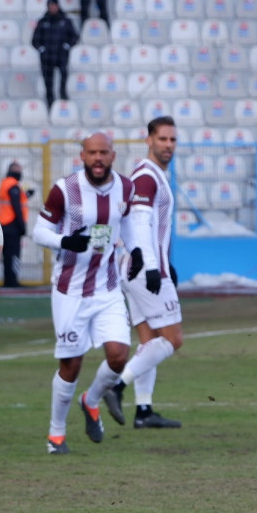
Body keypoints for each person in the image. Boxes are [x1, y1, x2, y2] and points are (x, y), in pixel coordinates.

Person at [31, 132, 134, 455]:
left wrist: (144, 257)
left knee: (118, 355)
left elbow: (128, 229)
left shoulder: (125, 188)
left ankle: (91, 401)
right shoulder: (65, 189)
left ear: (113, 155)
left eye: (104, 152)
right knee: (71, 364)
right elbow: (38, 231)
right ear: (82, 155)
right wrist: (64, 242)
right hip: (70, 290)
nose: (98, 158)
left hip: (108, 286)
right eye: (92, 153)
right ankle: (56, 434)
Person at [88, 117, 185, 430]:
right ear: (149, 140)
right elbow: (140, 221)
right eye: (162, 139)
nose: (168, 145)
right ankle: (117, 388)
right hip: (144, 268)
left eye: (172, 140)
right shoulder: (147, 176)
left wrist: (163, 261)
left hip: (135, 266)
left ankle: (143, 411)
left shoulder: (151, 175)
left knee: (150, 341)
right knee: (172, 339)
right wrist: (155, 267)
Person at [31, 0, 79, 109]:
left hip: (61, 55)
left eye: (54, 5)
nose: (52, 7)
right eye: (50, 5)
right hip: (47, 57)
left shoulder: (65, 21)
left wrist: (67, 46)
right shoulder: (43, 22)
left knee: (63, 75)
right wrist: (42, 49)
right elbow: (34, 40)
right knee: (48, 82)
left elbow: (75, 36)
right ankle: (50, 103)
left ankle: (63, 95)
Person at [0, 160, 33, 288]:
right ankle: (13, 282)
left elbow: (14, 199)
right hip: (13, 225)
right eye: (19, 171)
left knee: (7, 255)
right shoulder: (14, 185)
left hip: (3, 224)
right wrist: (22, 226)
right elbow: (16, 206)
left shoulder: (4, 183)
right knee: (14, 255)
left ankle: (8, 281)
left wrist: (26, 195)